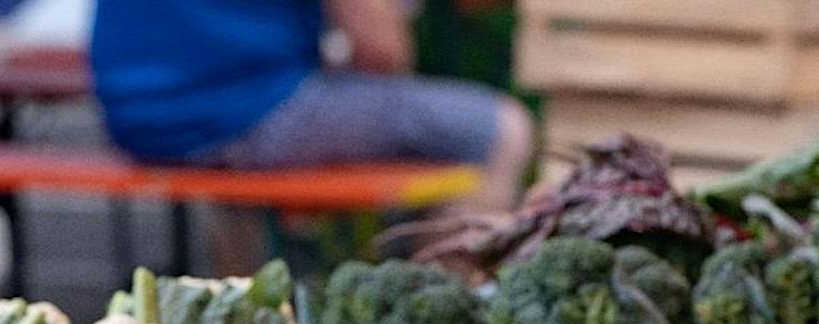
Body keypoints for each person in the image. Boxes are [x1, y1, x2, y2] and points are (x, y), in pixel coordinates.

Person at [89, 0, 534, 206]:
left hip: (136, 118)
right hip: (248, 112)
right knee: (501, 127)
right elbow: (380, 51)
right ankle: (447, 323)